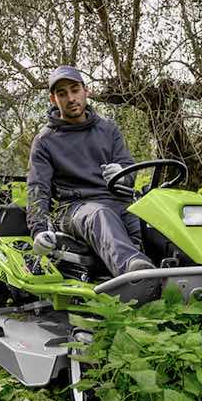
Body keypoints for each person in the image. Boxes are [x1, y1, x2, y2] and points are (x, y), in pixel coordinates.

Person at [25, 65, 157, 276]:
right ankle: (134, 275)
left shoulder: (108, 129)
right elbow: (37, 189)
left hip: (118, 202)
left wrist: (122, 173)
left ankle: (191, 272)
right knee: (99, 213)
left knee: (154, 214)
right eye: (62, 93)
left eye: (75, 90)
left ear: (86, 91)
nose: (71, 98)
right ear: (53, 100)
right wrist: (39, 230)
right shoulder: (45, 141)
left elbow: (129, 171)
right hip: (73, 209)